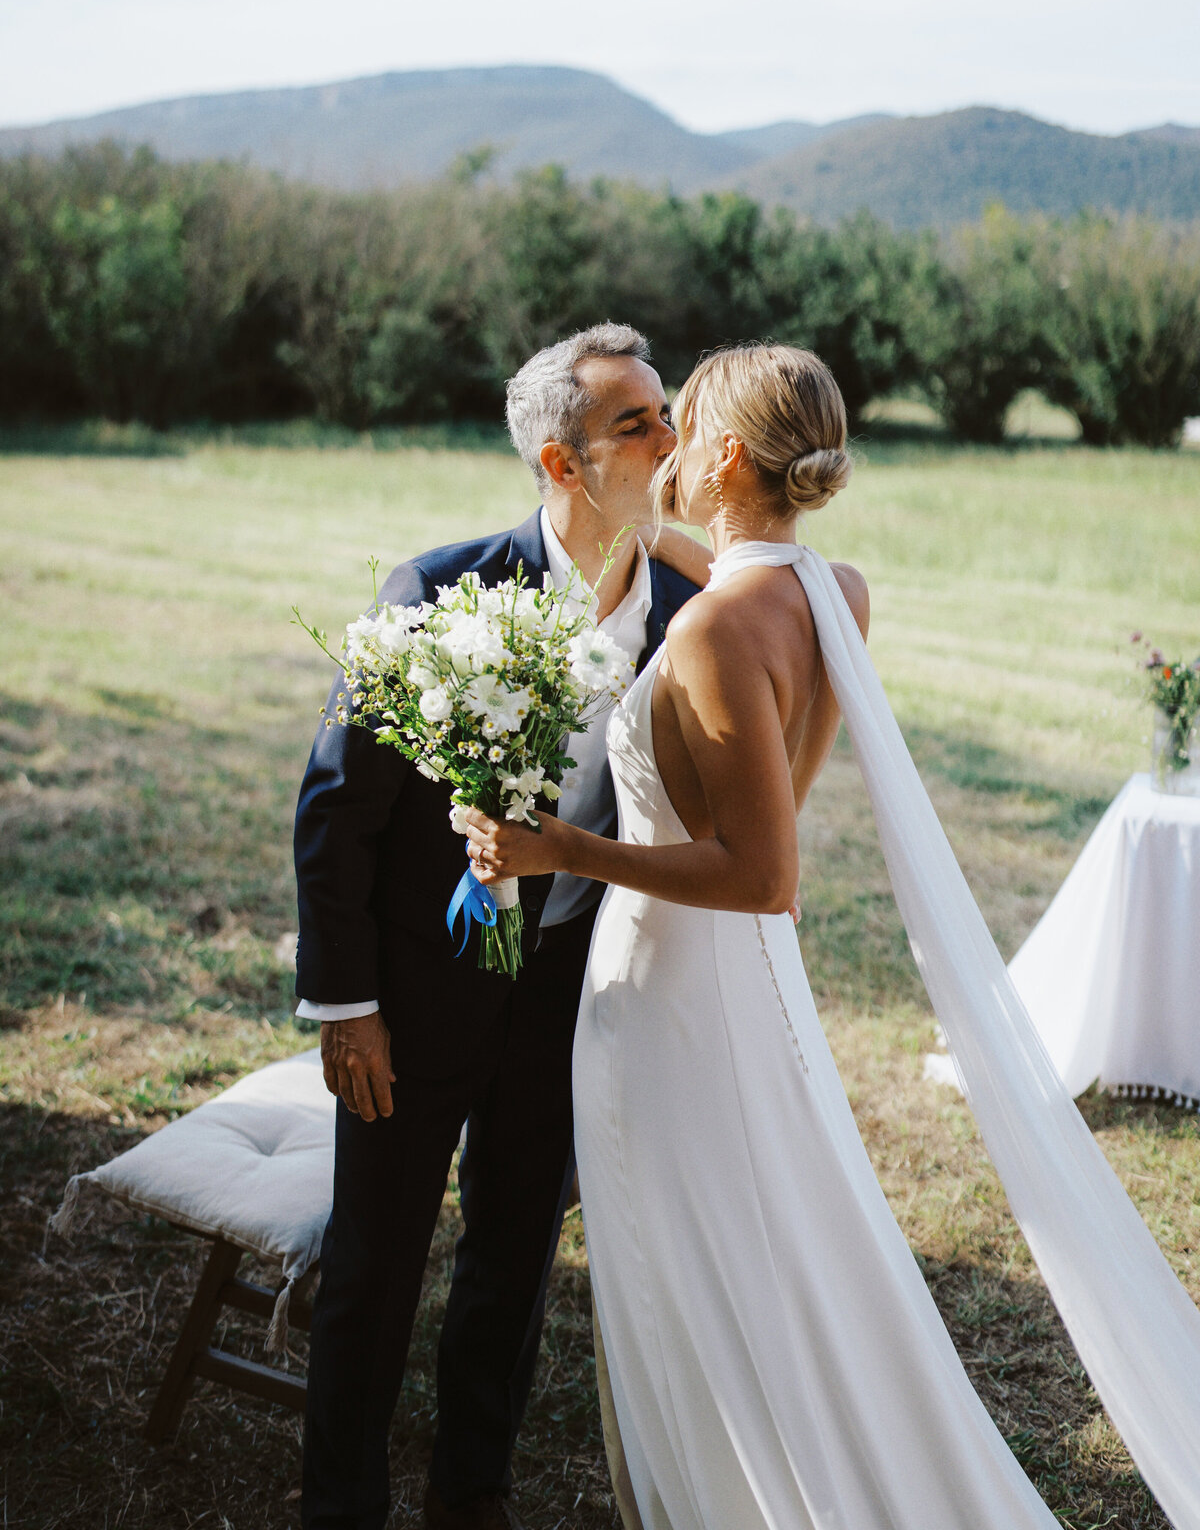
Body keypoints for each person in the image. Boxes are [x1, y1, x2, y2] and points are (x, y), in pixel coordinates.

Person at [458, 344, 1105, 1528]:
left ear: (717, 455)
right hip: (749, 984)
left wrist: (565, 851)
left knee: (682, 1266)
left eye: (678, 420)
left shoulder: (711, 630)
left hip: (663, 987)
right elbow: (771, 814)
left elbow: (764, 872)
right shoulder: (834, 590)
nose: (661, 441)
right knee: (759, 1236)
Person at [294, 323, 709, 1530]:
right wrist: (349, 1002)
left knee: (516, 1260)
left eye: (667, 411)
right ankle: (340, 1505)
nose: (670, 434)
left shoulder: (694, 612)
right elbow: (338, 810)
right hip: (414, 995)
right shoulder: (437, 591)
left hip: (572, 998)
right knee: (374, 1267)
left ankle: (470, 1492)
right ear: (559, 461)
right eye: (638, 422)